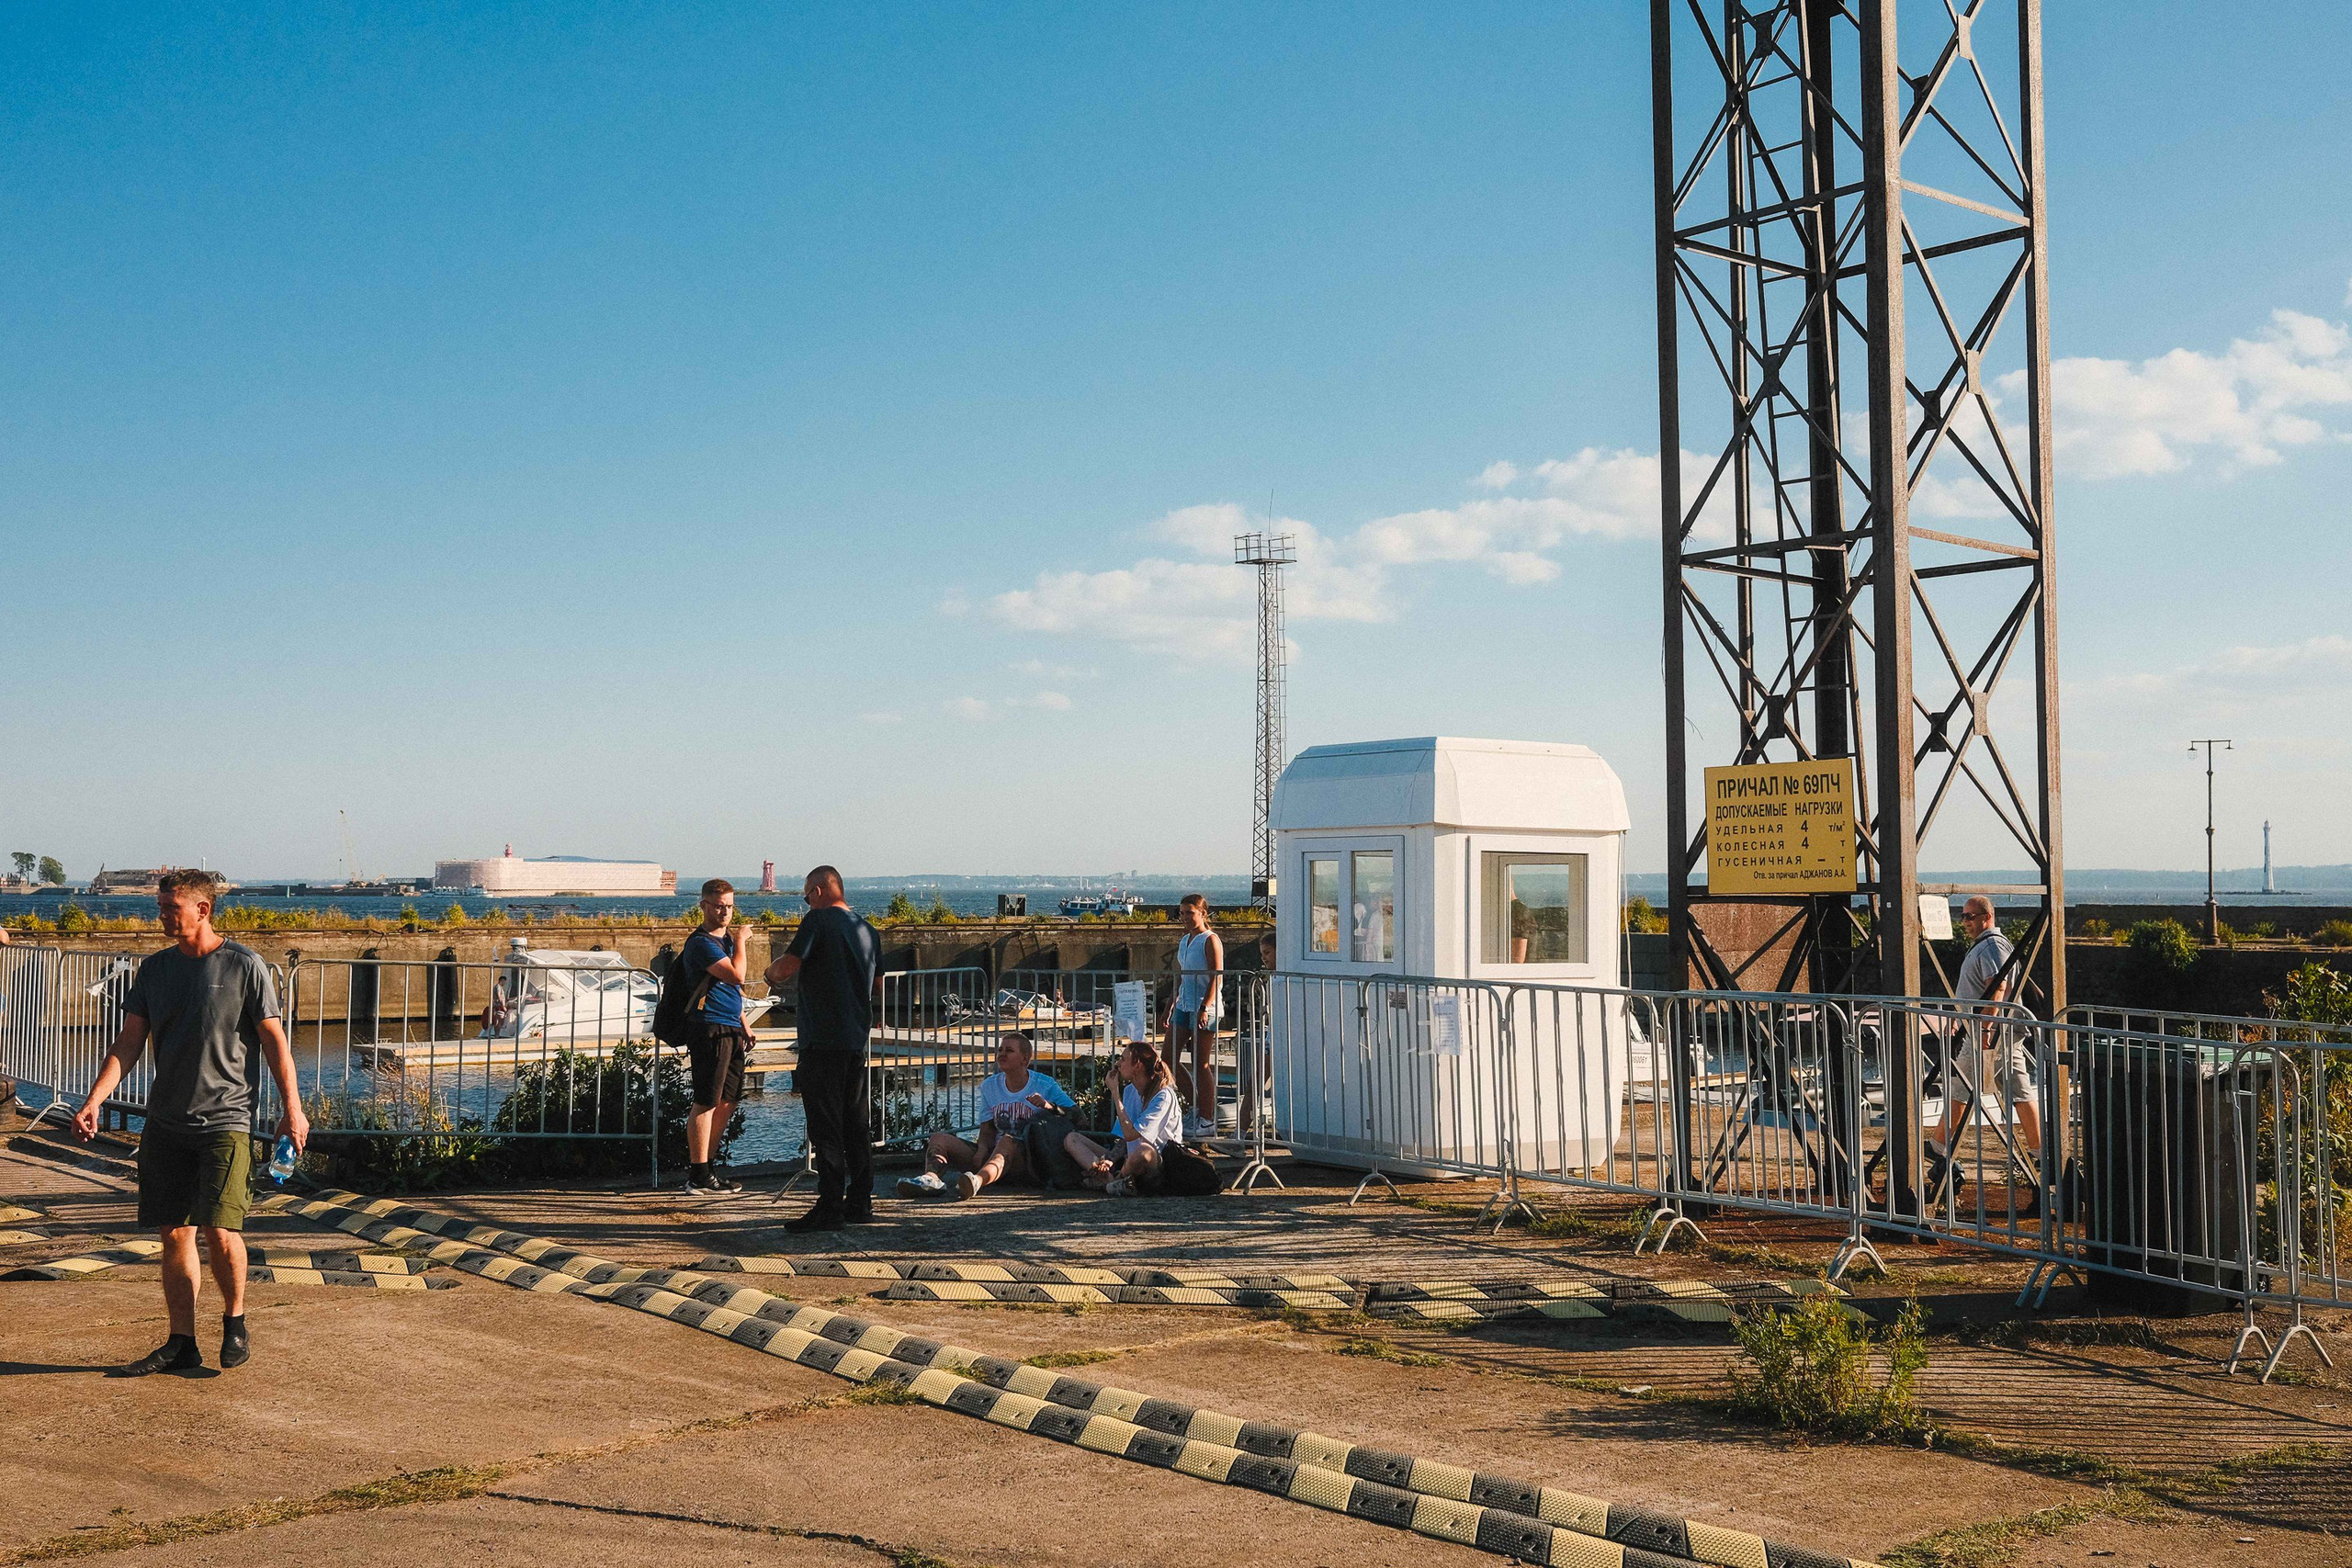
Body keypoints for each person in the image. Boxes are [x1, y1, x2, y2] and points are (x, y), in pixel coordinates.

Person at [71, 870, 307, 1375]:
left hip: (226, 1119)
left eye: (170, 908)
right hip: (167, 1121)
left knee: (222, 1229)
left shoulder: (244, 966)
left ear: (203, 909)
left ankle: (235, 1319)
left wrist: (293, 1110)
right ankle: (182, 1341)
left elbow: (274, 1044)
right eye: (160, 907)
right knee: (174, 1232)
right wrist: (94, 1099)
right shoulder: (154, 970)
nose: (162, 916)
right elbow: (129, 1042)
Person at [766, 864, 881, 1231]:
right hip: (854, 1039)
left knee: (825, 1125)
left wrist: (769, 974)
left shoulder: (817, 922)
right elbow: (877, 987)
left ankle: (829, 1206)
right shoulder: (868, 930)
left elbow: (786, 968)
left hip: (822, 1038)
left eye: (805, 896)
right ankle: (860, 1202)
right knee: (855, 1123)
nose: (806, 902)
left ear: (818, 891)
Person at [1928, 896, 2041, 1211]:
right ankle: (2043, 1157)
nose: (1964, 921)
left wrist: (1986, 1031)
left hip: (1986, 1034)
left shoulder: (1992, 946)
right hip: (1998, 1032)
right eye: (1962, 916)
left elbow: (1998, 986)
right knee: (2019, 1092)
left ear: (1987, 916)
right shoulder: (1989, 945)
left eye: (1969, 916)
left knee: (1959, 1090)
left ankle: (1938, 1148)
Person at [898, 1031, 1074, 1200]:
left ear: (1025, 1059)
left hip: (1028, 1162)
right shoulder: (990, 1086)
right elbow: (988, 1128)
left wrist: (1048, 1106)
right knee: (939, 1138)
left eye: (1009, 1051)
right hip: (994, 1156)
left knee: (1007, 1140)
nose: (1002, 1054)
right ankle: (931, 1179)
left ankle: (976, 1182)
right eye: (1000, 1050)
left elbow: (1078, 1116)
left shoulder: (1045, 1085)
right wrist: (982, 1148)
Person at [679, 877, 753, 1197]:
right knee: (706, 1100)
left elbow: (731, 989)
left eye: (730, 907)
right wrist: (741, 940)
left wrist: (744, 1022)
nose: (725, 913)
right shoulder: (702, 944)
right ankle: (697, 1174)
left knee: (728, 1100)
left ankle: (708, 1169)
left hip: (730, 1026)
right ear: (705, 906)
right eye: (719, 906)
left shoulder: (722, 944)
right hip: (709, 1026)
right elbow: (737, 975)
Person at [1063, 1039, 1183, 1198]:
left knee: (1143, 1150)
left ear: (1137, 1065)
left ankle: (1110, 1182)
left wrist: (1115, 1093)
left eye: (1123, 1059)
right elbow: (1123, 1139)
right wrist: (1109, 1160)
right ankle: (1110, 1180)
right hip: (1128, 1160)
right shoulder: (1130, 1091)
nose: (1118, 1064)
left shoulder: (1163, 1096)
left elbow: (1132, 1135)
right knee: (1072, 1139)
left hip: (1157, 1162)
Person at [1166, 894, 1223, 1138]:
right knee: (1167, 1058)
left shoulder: (1210, 940)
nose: (1185, 918)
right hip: (1184, 1004)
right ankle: (1194, 1106)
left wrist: (1205, 1007)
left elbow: (1216, 974)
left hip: (1203, 1007)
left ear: (1202, 913)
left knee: (1201, 1063)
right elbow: (1182, 974)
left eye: (1190, 912)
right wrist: (1171, 1002)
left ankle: (1207, 1118)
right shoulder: (1184, 941)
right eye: (1182, 913)